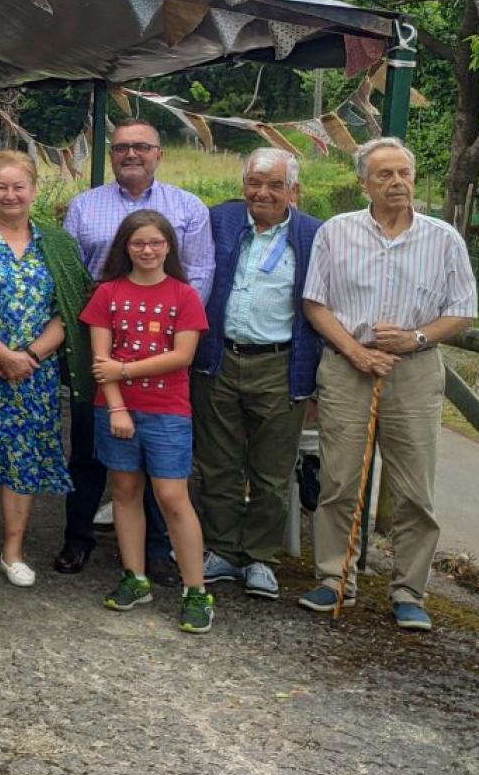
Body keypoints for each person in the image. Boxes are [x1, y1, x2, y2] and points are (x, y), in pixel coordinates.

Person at [298, 137, 477, 631]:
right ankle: (335, 578)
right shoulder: (336, 232)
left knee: (414, 487)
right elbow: (315, 303)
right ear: (364, 183)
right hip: (348, 365)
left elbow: (462, 309)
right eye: (385, 175)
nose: (397, 183)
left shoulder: (444, 238)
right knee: (339, 480)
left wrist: (414, 338)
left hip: (413, 371)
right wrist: (355, 351)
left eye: (404, 173)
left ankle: (409, 591)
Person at [56, 118, 213, 581]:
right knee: (89, 451)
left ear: (158, 154)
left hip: (166, 358)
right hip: (101, 347)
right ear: (111, 154)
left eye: (141, 147)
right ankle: (78, 537)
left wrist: (174, 325)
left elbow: (201, 270)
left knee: (159, 470)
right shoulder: (85, 207)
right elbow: (73, 274)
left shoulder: (187, 207)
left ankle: (157, 552)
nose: (131, 154)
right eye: (122, 147)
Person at [0, 152, 91, 587]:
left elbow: (71, 306)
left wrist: (30, 356)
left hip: (35, 373)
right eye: (1, 187)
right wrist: (2, 355)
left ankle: (13, 550)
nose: (10, 195)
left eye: (18, 186)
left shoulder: (57, 244)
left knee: (23, 460)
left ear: (33, 190)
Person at [192, 147, 322, 600]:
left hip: (279, 364)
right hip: (219, 359)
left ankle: (261, 557)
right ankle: (223, 549)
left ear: (294, 191)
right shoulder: (219, 222)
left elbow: (324, 306)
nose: (262, 192)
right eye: (254, 182)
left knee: (271, 472)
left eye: (275, 184)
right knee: (218, 465)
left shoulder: (313, 235)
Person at [80, 210, 214, 633]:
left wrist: (124, 371)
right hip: (117, 409)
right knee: (124, 490)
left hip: (167, 410)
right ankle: (134, 576)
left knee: (173, 496)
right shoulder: (106, 294)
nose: (148, 250)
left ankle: (196, 589)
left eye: (156, 242)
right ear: (125, 247)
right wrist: (117, 404)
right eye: (139, 243)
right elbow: (101, 360)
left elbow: (182, 356)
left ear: (169, 246)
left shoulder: (183, 295)